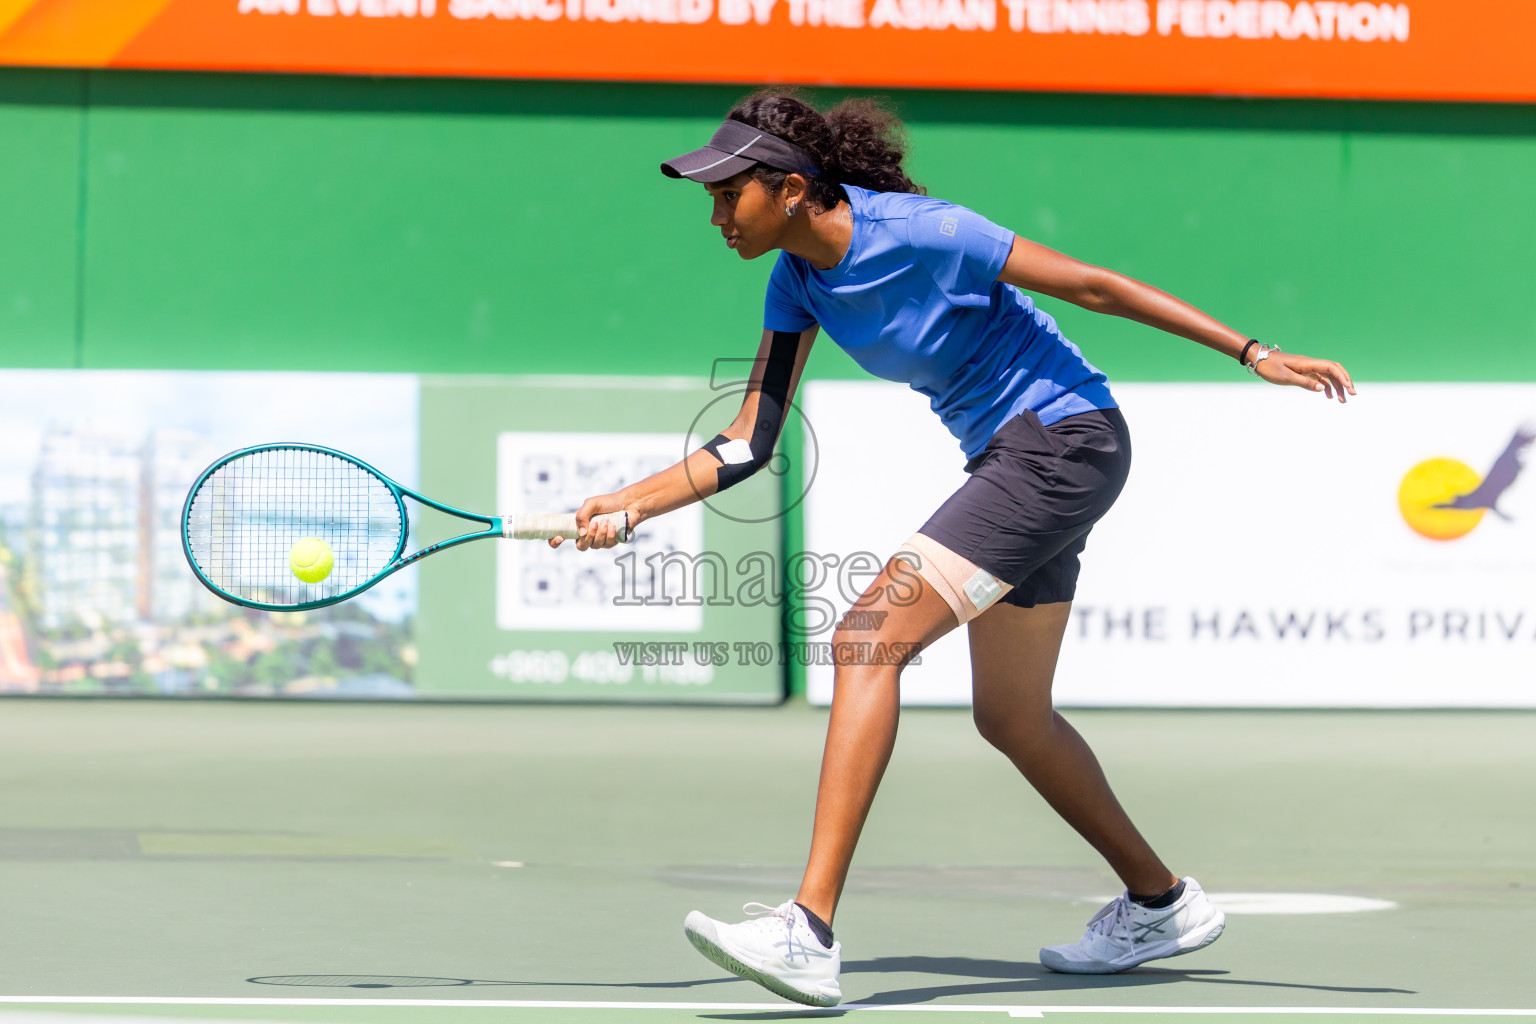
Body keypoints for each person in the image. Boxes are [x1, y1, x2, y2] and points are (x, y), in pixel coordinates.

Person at [551, 91, 1355, 1007]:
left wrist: (1255, 353)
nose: (713, 215)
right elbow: (749, 440)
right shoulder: (796, 283)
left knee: (866, 640)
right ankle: (1160, 902)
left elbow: (1094, 285)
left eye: (725, 193)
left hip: (1062, 439)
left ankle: (807, 930)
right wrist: (632, 503)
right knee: (1012, 717)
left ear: (789, 189)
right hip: (1025, 454)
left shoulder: (929, 231)